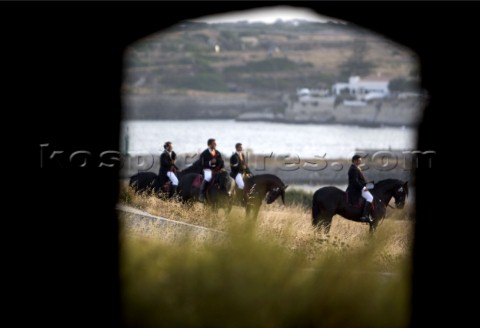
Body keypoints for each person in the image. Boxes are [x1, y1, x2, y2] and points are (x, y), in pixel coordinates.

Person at [346, 154, 373, 222]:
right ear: (355, 161)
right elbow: (355, 182)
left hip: (359, 187)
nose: (360, 162)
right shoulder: (353, 169)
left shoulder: (356, 168)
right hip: (356, 189)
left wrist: (367, 184)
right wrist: (363, 188)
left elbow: (360, 180)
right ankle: (364, 216)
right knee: (370, 197)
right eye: (359, 160)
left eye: (360, 160)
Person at [198, 138, 224, 203]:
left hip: (216, 170)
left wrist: (219, 164)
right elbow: (201, 163)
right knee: (208, 177)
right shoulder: (204, 153)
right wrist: (210, 162)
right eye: (214, 143)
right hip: (207, 170)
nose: (215, 144)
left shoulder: (217, 153)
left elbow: (221, 162)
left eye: (215, 143)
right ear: (209, 145)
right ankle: (201, 194)